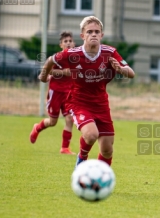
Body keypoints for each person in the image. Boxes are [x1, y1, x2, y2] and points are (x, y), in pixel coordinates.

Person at [38, 16, 135, 167]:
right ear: (82, 35)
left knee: (107, 149)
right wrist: (44, 76)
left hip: (101, 104)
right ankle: (82, 157)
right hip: (79, 102)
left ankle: (99, 180)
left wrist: (121, 69)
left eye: (97, 31)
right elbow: (51, 60)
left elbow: (131, 73)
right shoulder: (72, 54)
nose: (94, 34)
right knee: (91, 135)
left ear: (102, 35)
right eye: (90, 32)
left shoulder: (109, 52)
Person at [30, 31, 75, 155]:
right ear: (61, 45)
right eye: (65, 41)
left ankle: (64, 148)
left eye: (70, 41)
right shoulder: (57, 57)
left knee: (70, 119)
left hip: (69, 93)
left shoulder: (77, 58)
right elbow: (46, 72)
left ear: (74, 43)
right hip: (55, 92)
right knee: (52, 122)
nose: (68, 43)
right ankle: (37, 127)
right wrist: (61, 72)